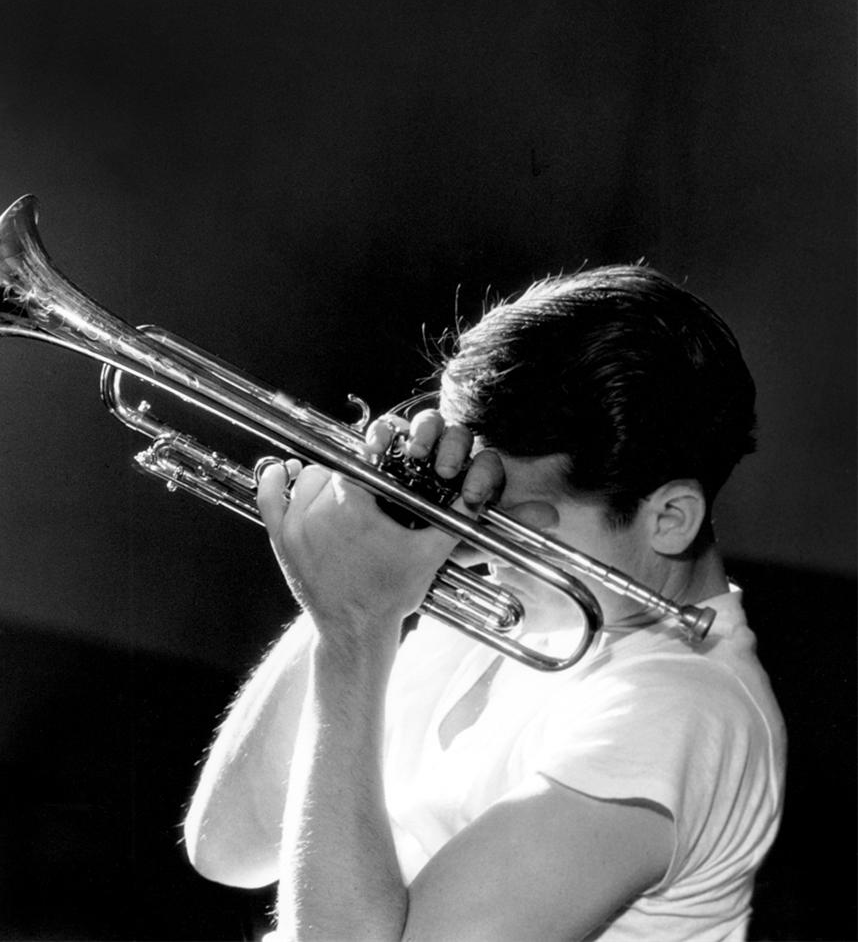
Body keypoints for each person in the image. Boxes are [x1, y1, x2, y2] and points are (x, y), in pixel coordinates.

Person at [183, 266, 786, 942]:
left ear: (670, 517)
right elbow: (230, 847)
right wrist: (354, 557)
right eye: (475, 498)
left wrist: (353, 627)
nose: (477, 534)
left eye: (515, 517)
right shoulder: (507, 605)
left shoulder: (681, 710)